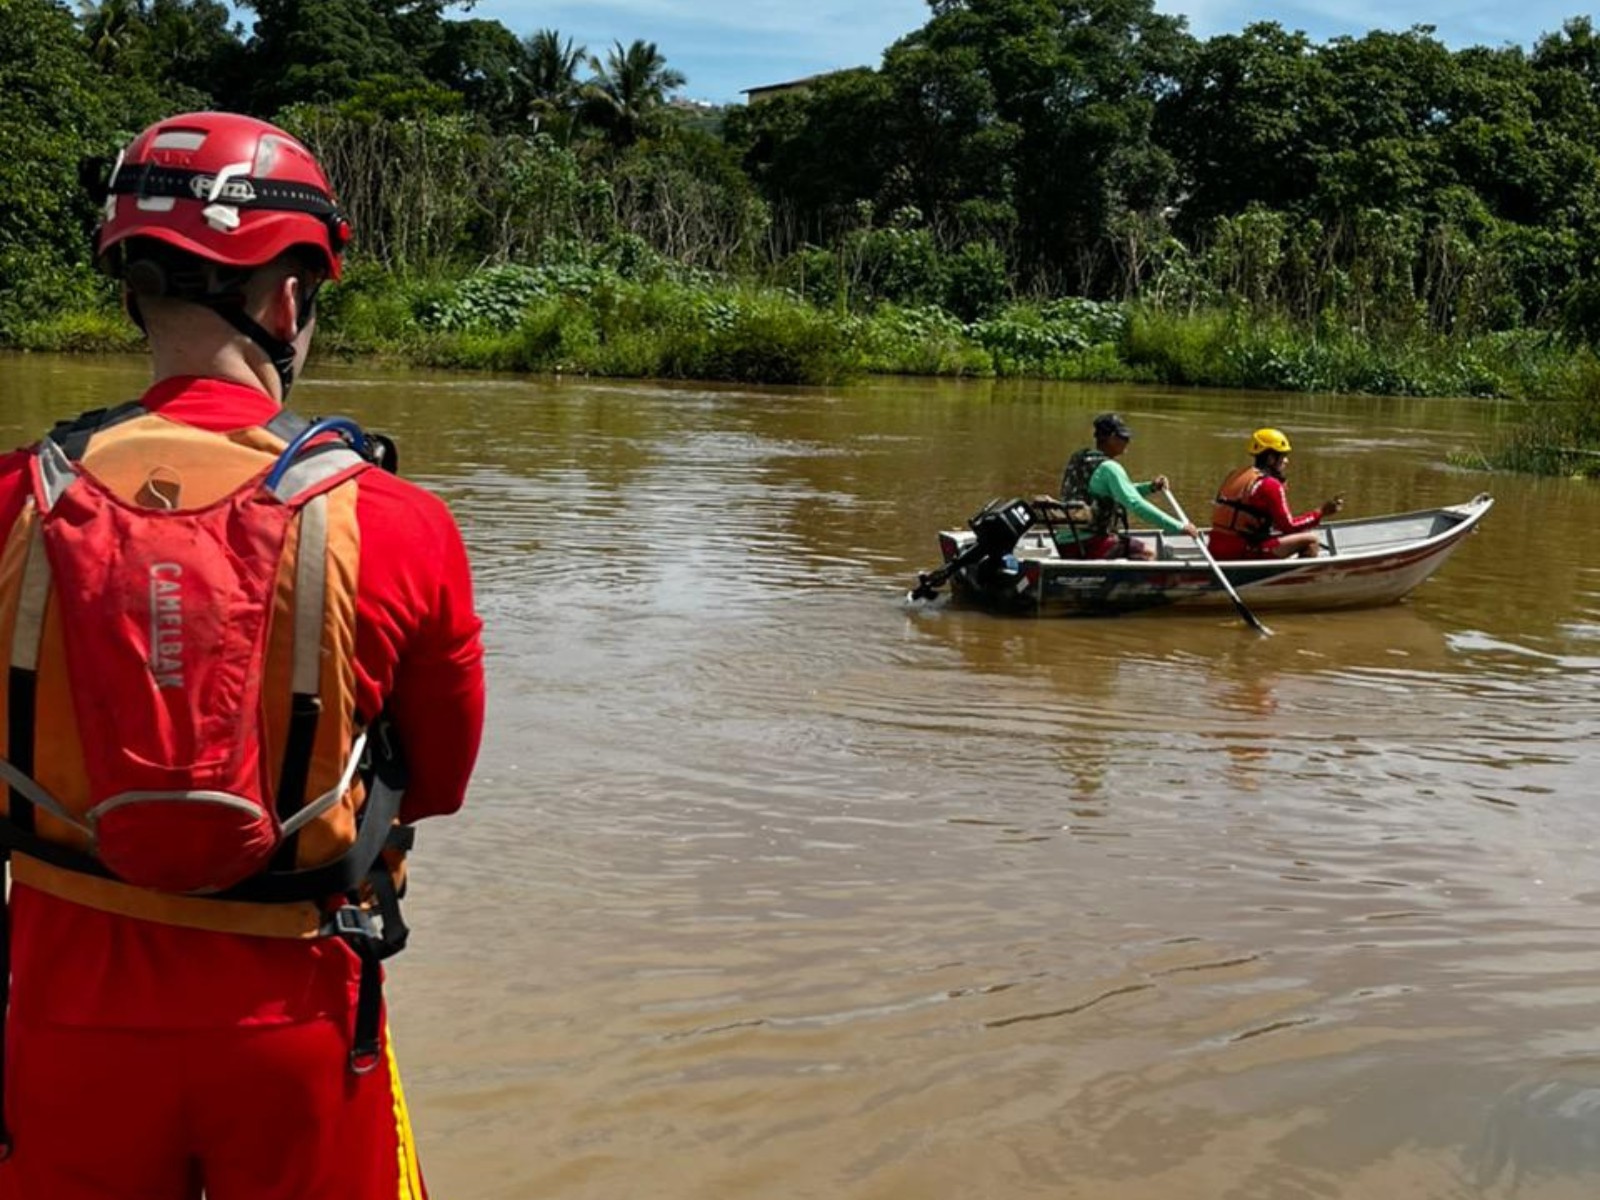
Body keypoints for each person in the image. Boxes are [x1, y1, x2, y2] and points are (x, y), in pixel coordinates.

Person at [0, 112, 485, 1200]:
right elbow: (438, 784)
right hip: (300, 1013)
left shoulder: (12, 500)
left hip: (58, 1010)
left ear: (133, 292)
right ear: (287, 299)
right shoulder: (398, 521)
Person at [1050, 412, 1197, 560]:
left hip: (1064, 544)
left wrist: (1151, 487)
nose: (1128, 441)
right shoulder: (1110, 468)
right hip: (1089, 544)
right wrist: (1179, 527)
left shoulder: (1079, 458)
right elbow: (1135, 504)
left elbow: (1120, 492)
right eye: (1124, 437)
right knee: (1148, 552)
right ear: (1112, 438)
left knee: (1127, 544)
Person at [1209, 427, 1345, 559]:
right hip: (1243, 550)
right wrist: (1321, 512)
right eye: (1283, 456)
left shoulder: (1235, 475)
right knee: (1311, 540)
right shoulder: (1270, 484)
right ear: (1271, 458)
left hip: (1214, 548)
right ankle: (1294, 574)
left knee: (1295, 533)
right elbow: (1289, 527)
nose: (1286, 461)